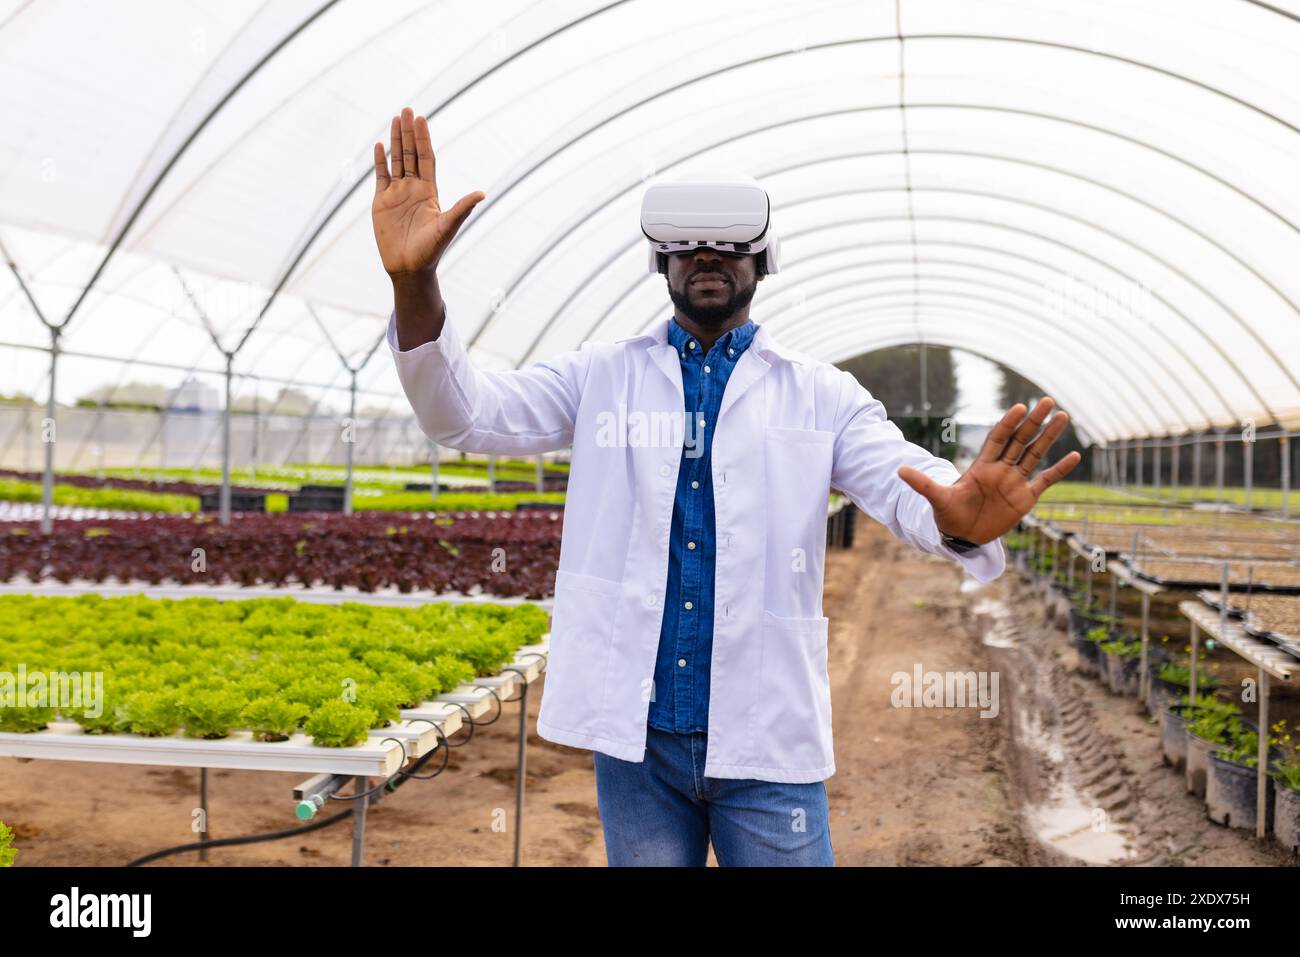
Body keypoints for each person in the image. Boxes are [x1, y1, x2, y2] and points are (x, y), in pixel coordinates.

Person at [372, 107, 1081, 866]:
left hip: (764, 737)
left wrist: (963, 519)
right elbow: (463, 413)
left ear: (763, 261)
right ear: (662, 263)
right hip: (638, 741)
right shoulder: (601, 376)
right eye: (688, 246)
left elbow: (906, 483)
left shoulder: (821, 394)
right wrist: (416, 283)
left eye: (728, 246)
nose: (708, 256)